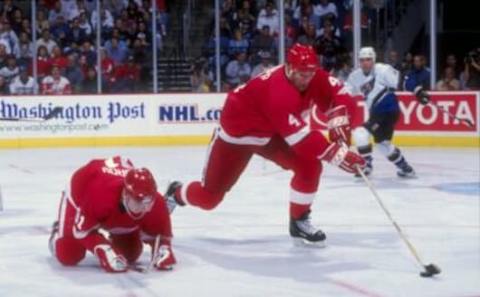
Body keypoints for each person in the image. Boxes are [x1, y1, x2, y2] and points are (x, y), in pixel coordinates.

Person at [164, 44, 365, 246]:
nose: (307, 79)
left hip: (269, 133)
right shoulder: (278, 92)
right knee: (209, 199)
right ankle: (176, 193)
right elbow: (302, 142)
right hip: (236, 139)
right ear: (289, 67)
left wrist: (340, 116)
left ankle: (299, 221)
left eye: (311, 73)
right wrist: (338, 155)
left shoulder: (311, 74)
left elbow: (341, 93)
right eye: (301, 74)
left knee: (309, 166)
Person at [49, 156, 176, 273]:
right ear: (125, 195)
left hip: (110, 204)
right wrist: (103, 249)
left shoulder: (157, 203)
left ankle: (116, 239)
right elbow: (81, 231)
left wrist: (163, 251)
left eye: (148, 201)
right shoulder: (100, 196)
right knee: (68, 254)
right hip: (81, 193)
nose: (144, 207)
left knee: (130, 254)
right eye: (138, 201)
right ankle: (58, 230)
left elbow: (162, 238)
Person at [346, 47, 416, 178]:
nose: (365, 62)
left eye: (368, 59)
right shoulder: (355, 76)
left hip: (388, 110)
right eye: (362, 60)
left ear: (373, 60)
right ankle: (405, 168)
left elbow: (402, 81)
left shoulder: (383, 69)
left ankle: (366, 165)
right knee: (382, 144)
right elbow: (345, 92)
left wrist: (417, 90)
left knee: (361, 134)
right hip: (378, 114)